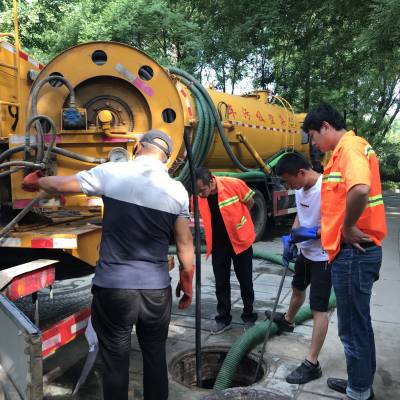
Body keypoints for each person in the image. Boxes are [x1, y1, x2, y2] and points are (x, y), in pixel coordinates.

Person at [22, 130, 195, 400]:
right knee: (154, 357)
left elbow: (60, 185)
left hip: (114, 289)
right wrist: (187, 285)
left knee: (115, 362)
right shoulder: (177, 191)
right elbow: (185, 245)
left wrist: (37, 181)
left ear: (138, 147)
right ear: (166, 158)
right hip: (156, 291)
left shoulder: (112, 172)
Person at [303, 104, 386, 400]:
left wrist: (348, 227)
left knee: (351, 327)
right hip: (354, 252)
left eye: (313, 136)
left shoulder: (349, 149)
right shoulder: (344, 151)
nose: (314, 143)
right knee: (359, 324)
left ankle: (358, 392)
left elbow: (360, 190)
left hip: (354, 252)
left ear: (325, 127)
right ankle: (360, 383)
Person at [265, 152, 331, 384]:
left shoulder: (326, 188)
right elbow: (300, 217)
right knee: (297, 288)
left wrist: (313, 233)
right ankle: (288, 320)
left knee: (319, 309)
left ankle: (312, 363)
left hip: (324, 256)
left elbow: (334, 224)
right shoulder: (301, 189)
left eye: (288, 181)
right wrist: (292, 237)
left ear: (301, 173)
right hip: (305, 251)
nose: (287, 185)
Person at [194, 167, 257, 334]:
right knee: (221, 282)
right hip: (218, 244)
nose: (200, 194)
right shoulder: (199, 195)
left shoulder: (234, 184)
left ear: (212, 181)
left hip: (240, 241)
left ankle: (249, 316)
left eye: (202, 190)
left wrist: (240, 221)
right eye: (197, 191)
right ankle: (223, 319)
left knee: (245, 281)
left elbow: (250, 202)